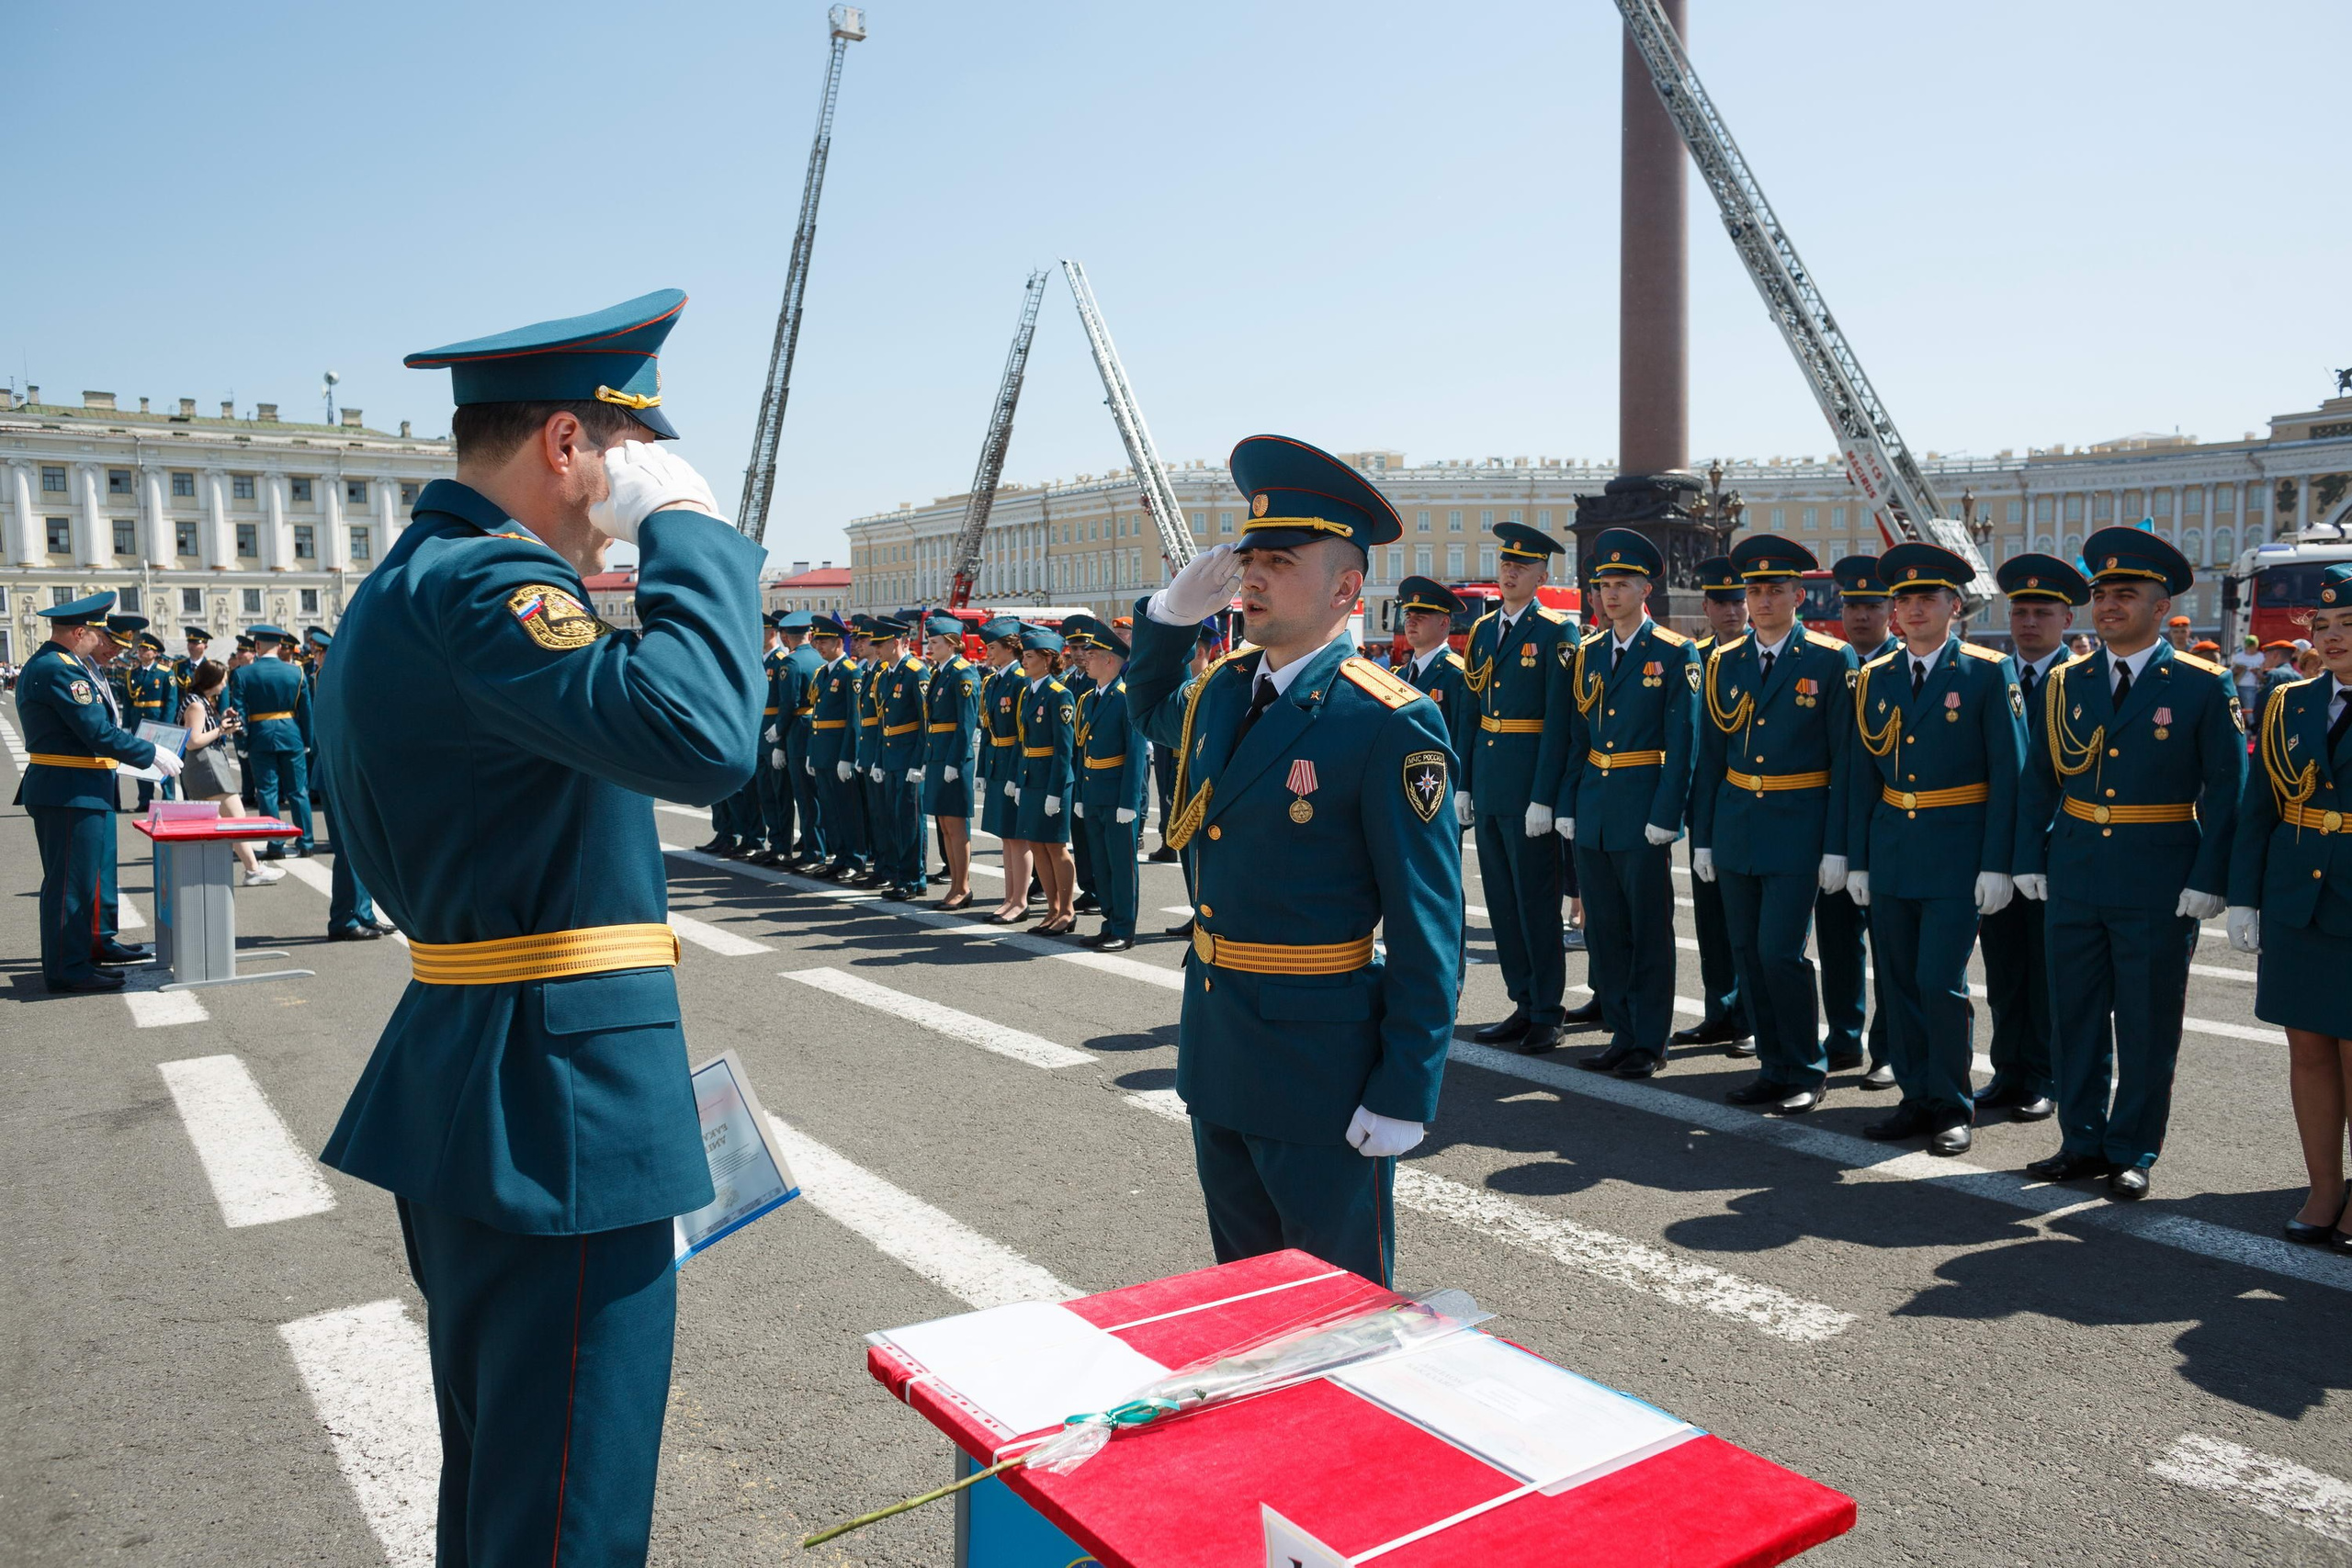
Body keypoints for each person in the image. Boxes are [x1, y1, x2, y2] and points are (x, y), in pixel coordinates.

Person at [318, 288, 763, 1568]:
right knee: (571, 1505)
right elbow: (705, 737)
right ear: (567, 442)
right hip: (553, 1095)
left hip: (497, 1069)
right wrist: (687, 526)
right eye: (628, 451)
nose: (632, 481)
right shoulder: (487, 584)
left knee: (514, 1486)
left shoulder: (416, 579)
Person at [1128, 434, 1461, 1285]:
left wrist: (1405, 1087)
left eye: (1280, 561)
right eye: (1250, 559)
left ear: (1346, 589)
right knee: (1245, 1300)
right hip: (1220, 1050)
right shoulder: (1221, 691)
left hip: (1323, 1072)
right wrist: (1167, 615)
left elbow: (1428, 922)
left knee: (1336, 1313)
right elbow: (1147, 706)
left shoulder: (1387, 719)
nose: (1253, 578)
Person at [2015, 529, 2242, 1199]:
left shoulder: (2202, 683)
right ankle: (2080, 1140)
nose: (2109, 605)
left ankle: (2132, 1147)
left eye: (2126, 594)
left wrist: (2210, 877)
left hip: (2157, 875)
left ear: (2161, 605)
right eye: (2102, 594)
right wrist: (2029, 855)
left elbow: (2229, 789)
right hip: (2077, 867)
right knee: (2074, 1014)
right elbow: (2040, 778)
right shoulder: (2067, 681)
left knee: (2146, 1019)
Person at [1847, 542, 2025, 1156]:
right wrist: (1857, 858)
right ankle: (1915, 1096)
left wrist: (1999, 862)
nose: (1914, 608)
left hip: (1957, 851)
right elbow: (1862, 776)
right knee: (1897, 982)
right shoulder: (1875, 677)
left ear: (1954, 606)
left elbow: (2010, 775)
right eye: (1905, 599)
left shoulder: (1986, 671)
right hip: (1893, 848)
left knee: (1939, 982)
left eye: (1928, 598)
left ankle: (1951, 1103)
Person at [1691, 536, 1857, 1112]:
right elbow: (1711, 759)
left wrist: (1837, 847)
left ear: (1798, 597)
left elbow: (1846, 761)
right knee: (1747, 951)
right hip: (1737, 826)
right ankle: (1772, 1065)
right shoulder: (1724, 661)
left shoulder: (1830, 660)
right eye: (1755, 590)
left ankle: (1806, 1068)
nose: (1762, 600)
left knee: (1781, 952)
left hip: (1798, 828)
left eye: (1775, 590)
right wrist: (1704, 838)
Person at [2230, 562, 2352, 1250]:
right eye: (2324, 625)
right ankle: (2324, 1186)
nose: (2333, 637)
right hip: (2296, 896)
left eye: (2349, 625)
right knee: (2307, 1049)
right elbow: (2260, 806)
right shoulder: (2289, 701)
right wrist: (2245, 897)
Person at [1556, 528, 1699, 1077]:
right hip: (1594, 807)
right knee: (1604, 929)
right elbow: (1578, 737)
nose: (1610, 594)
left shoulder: (1673, 652)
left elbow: (1684, 743)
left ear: (1645, 590)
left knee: (1648, 930)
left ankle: (1649, 1040)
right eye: (1603, 584)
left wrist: (1667, 816)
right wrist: (1567, 803)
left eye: (1622, 584)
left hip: (1641, 809)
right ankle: (1620, 1030)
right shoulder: (1590, 653)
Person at [13, 591, 180, 991]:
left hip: (77, 786)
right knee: (70, 885)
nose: (101, 643)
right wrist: (150, 752)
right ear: (80, 632)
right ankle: (67, 969)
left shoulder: (60, 664)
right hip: (69, 789)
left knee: (84, 879)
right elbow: (96, 732)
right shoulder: (60, 669)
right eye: (97, 635)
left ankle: (83, 953)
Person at [1461, 521, 1578, 1054]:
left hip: (1529, 788)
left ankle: (1548, 1010)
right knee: (1503, 905)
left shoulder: (1556, 633)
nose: (1510, 573)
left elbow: (1560, 723)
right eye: (1506, 564)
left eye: (1522, 567)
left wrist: (1544, 796)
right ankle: (1522, 1001)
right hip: (1490, 785)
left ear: (1542, 576)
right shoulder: (1484, 630)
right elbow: (1471, 712)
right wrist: (1465, 783)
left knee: (1536, 905)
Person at [1973, 554, 2084, 1124]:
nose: (2029, 622)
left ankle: (2044, 1076)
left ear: (2067, 619)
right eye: (2020, 611)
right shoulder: (1989, 675)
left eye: (2043, 612)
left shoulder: (2083, 680)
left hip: (2053, 851)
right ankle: (2008, 1070)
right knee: (2003, 969)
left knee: (2047, 974)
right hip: (1995, 847)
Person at [1817, 555, 1900, 1086]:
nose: (1861, 615)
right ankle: (1843, 1039)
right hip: (1833, 825)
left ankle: (1888, 1048)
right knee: (1837, 941)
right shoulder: (1831, 662)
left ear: (1891, 609)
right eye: (1852, 605)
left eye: (1872, 605)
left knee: (1891, 946)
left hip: (1889, 828)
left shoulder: (1903, 665)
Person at [1676, 555, 1755, 1057]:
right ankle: (1718, 1011)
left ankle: (1749, 1018)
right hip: (1706, 803)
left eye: (1738, 602)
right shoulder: (1695, 659)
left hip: (1752, 801)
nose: (1731, 611)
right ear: (1705, 607)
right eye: (1721, 602)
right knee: (1710, 919)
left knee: (1749, 925)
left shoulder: (1761, 655)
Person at [304, 629, 394, 940]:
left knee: (362, 850)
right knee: (349, 850)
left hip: (344, 770)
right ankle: (345, 919)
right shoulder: (336, 679)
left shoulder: (337, 677)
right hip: (340, 771)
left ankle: (363, 913)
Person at [1066, 616, 1144, 949]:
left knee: (1121, 866)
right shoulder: (1088, 699)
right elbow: (1083, 751)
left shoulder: (1126, 698)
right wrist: (1080, 795)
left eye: (1093, 654)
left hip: (1116, 796)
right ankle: (1109, 922)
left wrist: (1129, 802)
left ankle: (1124, 929)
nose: (1085, 659)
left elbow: (1136, 755)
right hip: (1094, 791)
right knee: (1101, 863)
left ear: (1111, 660)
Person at [175, 660, 277, 886]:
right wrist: (221, 729)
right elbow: (193, 741)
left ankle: (248, 869)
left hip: (205, 764)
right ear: (211, 680)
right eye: (222, 681)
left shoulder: (198, 701)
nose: (224, 685)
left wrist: (221, 722)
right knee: (236, 819)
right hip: (206, 765)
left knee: (221, 821)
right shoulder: (197, 705)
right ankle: (253, 870)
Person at [1005, 626, 1079, 932]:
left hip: (1051, 781)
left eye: (1030, 656)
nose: (1024, 660)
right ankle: (1051, 909)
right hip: (1031, 778)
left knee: (1055, 847)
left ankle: (1067, 910)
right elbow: (1022, 740)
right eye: (1024, 655)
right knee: (1036, 845)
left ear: (1047, 660)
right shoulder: (1029, 691)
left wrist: (1055, 791)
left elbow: (1064, 750)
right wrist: (1017, 779)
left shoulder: (1059, 695)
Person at [226, 626, 314, 857]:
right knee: (298, 792)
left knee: (267, 792)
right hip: (291, 735)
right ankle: (306, 842)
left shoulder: (244, 674)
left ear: (257, 646)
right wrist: (307, 740)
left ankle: (275, 844)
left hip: (260, 736)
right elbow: (306, 711)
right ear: (280, 646)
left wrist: (242, 743)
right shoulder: (296, 672)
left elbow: (240, 711)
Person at [915, 614, 980, 909]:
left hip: (953, 758)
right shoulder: (941, 672)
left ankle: (962, 886)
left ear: (952, 644)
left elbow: (966, 724)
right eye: (929, 642)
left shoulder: (963, 674)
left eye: (935, 642)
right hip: (938, 755)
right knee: (943, 825)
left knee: (955, 826)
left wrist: (954, 761)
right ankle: (955, 884)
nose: (929, 647)